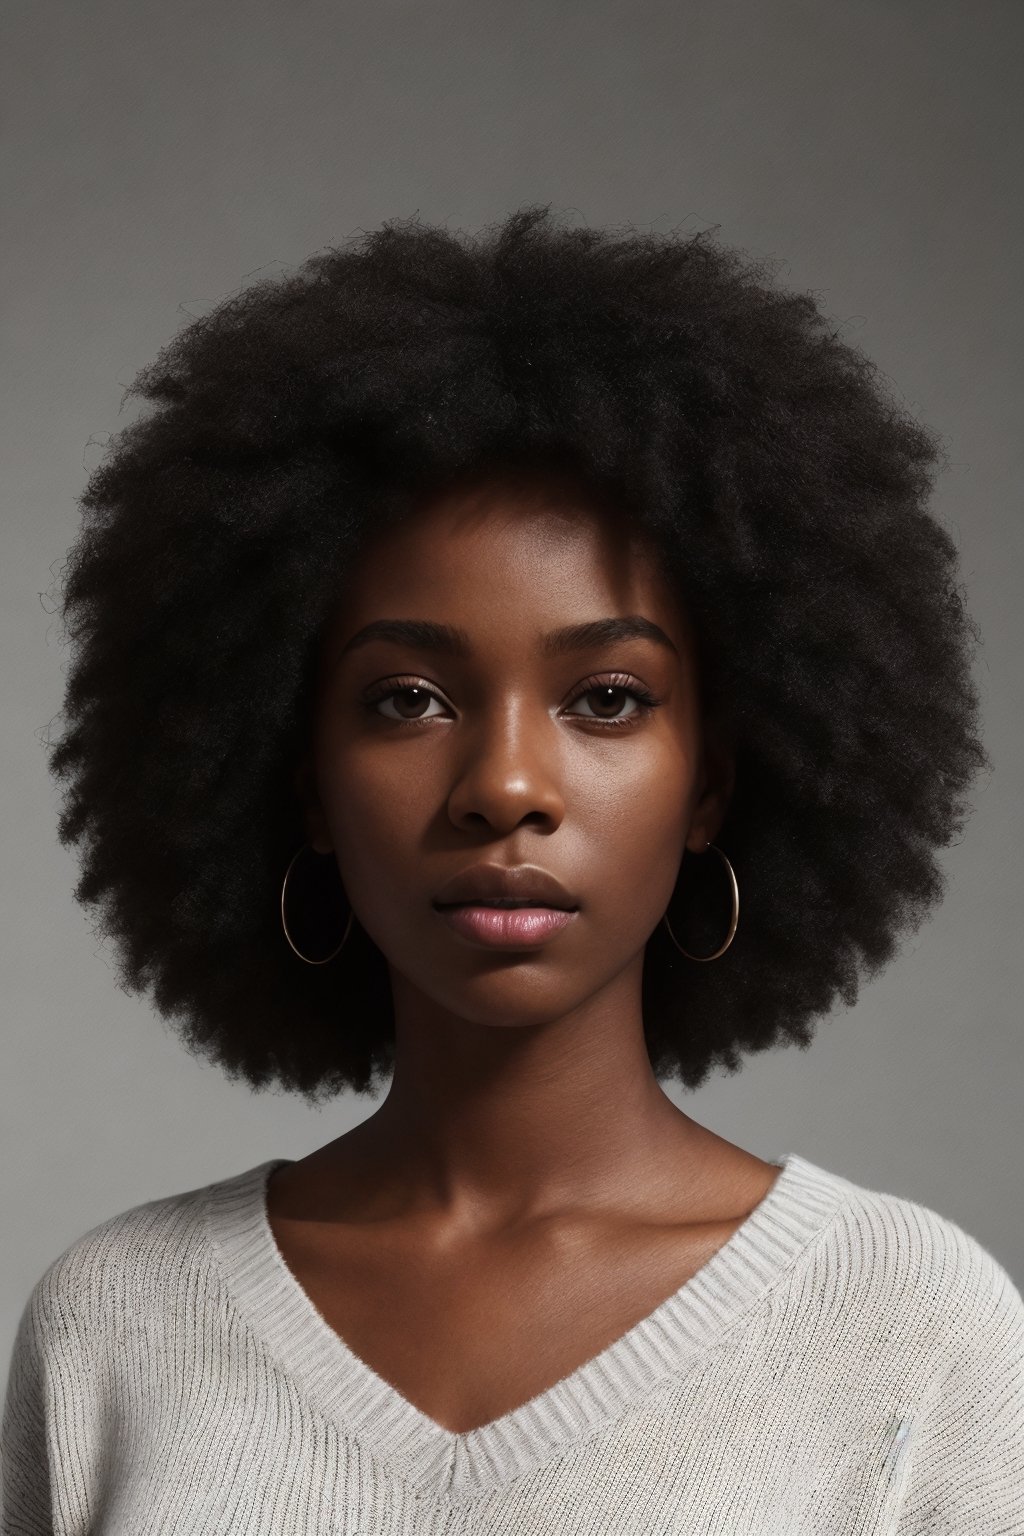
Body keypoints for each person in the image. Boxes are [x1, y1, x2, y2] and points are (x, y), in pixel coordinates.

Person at [2, 205, 1021, 1532]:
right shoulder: (118, 1328)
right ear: (299, 775)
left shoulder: (912, 1330)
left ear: (713, 779)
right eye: (408, 699)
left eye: (605, 698)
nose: (505, 788)